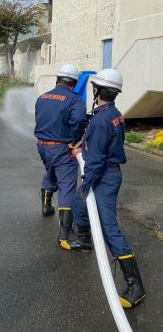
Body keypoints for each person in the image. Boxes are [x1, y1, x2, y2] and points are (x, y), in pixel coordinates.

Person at [67, 69, 146, 308]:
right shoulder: (113, 113)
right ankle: (84, 240)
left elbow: (99, 159)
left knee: (110, 229)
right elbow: (100, 146)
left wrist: (86, 183)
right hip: (105, 171)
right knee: (78, 204)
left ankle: (136, 286)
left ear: (98, 91)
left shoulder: (102, 119)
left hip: (104, 177)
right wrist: (83, 148)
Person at [34, 64, 87, 249]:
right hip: (62, 147)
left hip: (42, 145)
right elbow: (80, 120)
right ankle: (65, 235)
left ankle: (46, 206)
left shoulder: (43, 97)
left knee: (51, 171)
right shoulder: (75, 100)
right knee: (66, 186)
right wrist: (74, 140)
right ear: (74, 82)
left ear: (57, 79)